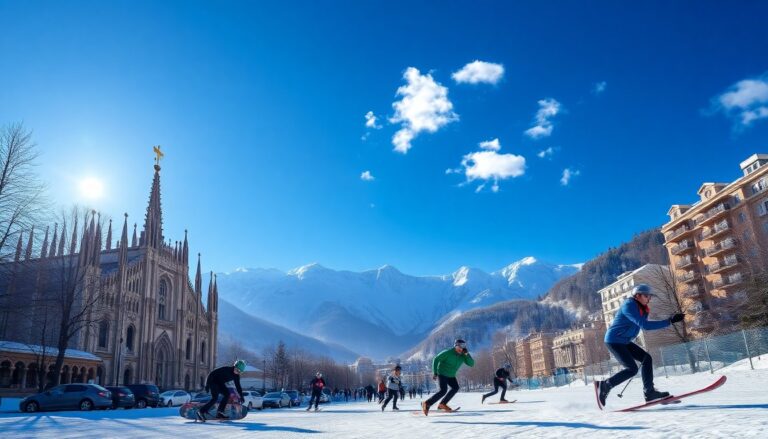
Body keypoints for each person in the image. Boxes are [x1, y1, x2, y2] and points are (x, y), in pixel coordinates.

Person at [595, 284, 685, 408]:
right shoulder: (629, 305)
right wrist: (669, 321)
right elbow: (645, 325)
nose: (649, 298)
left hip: (624, 341)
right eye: (647, 296)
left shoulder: (642, 308)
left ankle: (649, 393)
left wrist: (670, 320)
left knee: (646, 359)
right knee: (631, 369)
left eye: (650, 296)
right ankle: (606, 385)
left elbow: (643, 324)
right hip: (614, 340)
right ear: (638, 295)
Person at [421, 339, 475, 416]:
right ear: (455, 346)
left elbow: (471, 364)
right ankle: (427, 403)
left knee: (455, 388)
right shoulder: (448, 352)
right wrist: (435, 372)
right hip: (442, 373)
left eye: (463, 347)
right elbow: (436, 359)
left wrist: (467, 354)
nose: (461, 349)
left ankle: (442, 404)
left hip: (451, 375)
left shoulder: (463, 355)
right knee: (443, 390)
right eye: (459, 346)